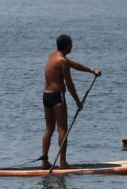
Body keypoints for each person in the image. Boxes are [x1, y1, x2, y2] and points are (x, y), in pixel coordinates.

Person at [41, 34, 102, 169]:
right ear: (67, 46)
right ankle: (62, 162)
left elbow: (72, 64)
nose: (72, 46)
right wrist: (77, 101)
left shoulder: (53, 56)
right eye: (71, 44)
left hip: (46, 96)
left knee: (49, 128)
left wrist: (91, 70)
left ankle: (44, 161)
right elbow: (69, 84)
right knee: (62, 129)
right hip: (57, 97)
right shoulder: (63, 61)